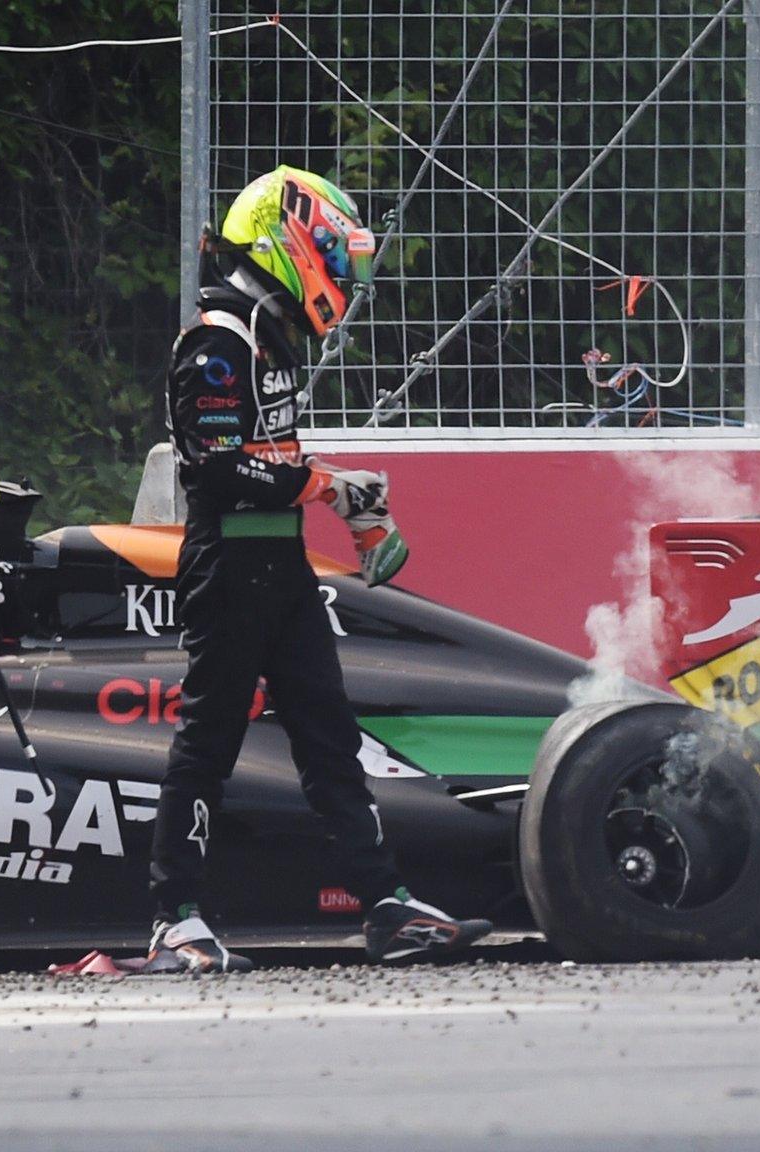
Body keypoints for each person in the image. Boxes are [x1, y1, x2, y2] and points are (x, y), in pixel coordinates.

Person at [147, 165, 493, 972]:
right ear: (289, 244)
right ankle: (175, 919)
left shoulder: (271, 337)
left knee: (331, 739)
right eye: (335, 259)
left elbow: (275, 462)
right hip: (225, 562)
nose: (342, 280)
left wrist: (349, 499)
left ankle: (386, 907)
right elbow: (218, 469)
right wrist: (334, 487)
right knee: (209, 742)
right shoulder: (215, 340)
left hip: (278, 564)